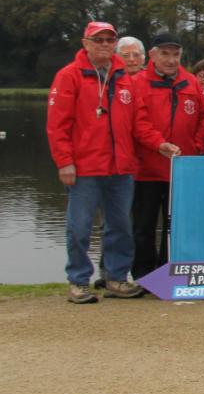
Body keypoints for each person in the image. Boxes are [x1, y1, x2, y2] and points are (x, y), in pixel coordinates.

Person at [46, 21, 151, 303]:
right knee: (79, 227)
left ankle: (116, 278)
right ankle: (78, 281)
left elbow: (138, 121)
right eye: (99, 39)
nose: (105, 44)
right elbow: (57, 125)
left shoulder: (124, 77)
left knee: (120, 227)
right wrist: (64, 162)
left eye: (109, 39)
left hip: (120, 167)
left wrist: (159, 144)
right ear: (86, 43)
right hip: (85, 168)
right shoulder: (70, 76)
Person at [129, 31, 204, 282]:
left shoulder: (191, 82)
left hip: (181, 169)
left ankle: (166, 274)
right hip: (147, 168)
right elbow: (137, 122)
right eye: (165, 54)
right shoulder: (137, 82)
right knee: (143, 226)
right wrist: (159, 143)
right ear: (152, 55)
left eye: (176, 54)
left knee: (174, 227)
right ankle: (143, 275)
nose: (171, 60)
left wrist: (196, 146)